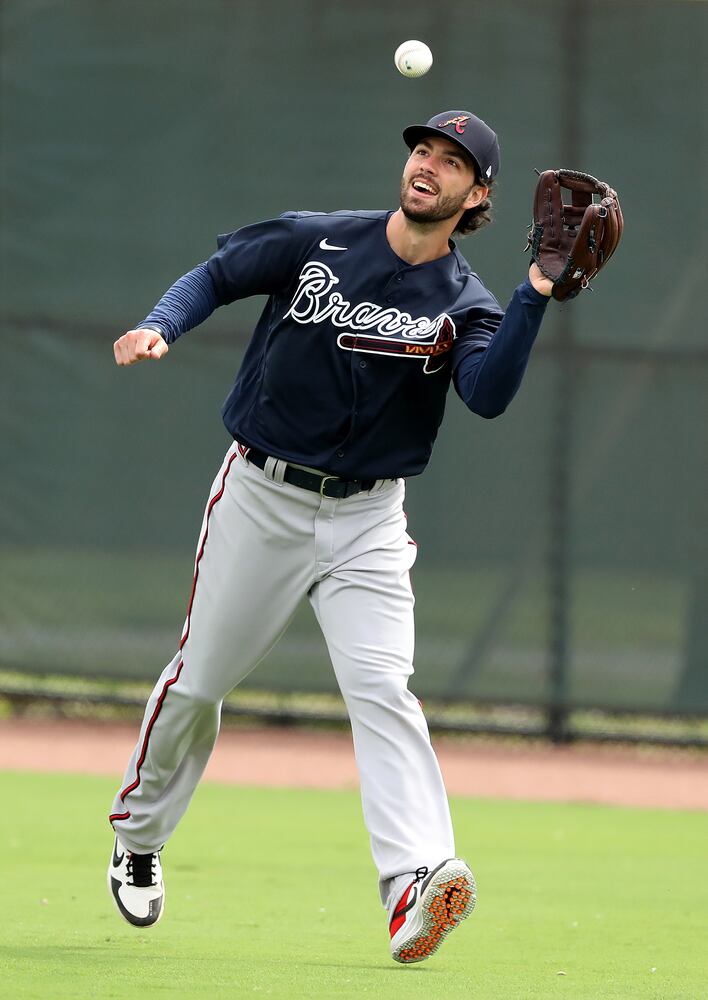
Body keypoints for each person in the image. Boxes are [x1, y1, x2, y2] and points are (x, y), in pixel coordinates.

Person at [107, 109, 553, 963]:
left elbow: (489, 394)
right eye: (422, 149)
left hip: (368, 521)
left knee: (385, 690)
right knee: (198, 685)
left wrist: (534, 292)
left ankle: (416, 884)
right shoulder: (320, 241)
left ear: (478, 194)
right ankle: (137, 837)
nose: (426, 165)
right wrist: (164, 323)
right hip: (261, 499)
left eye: (451, 160)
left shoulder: (467, 303)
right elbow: (217, 273)